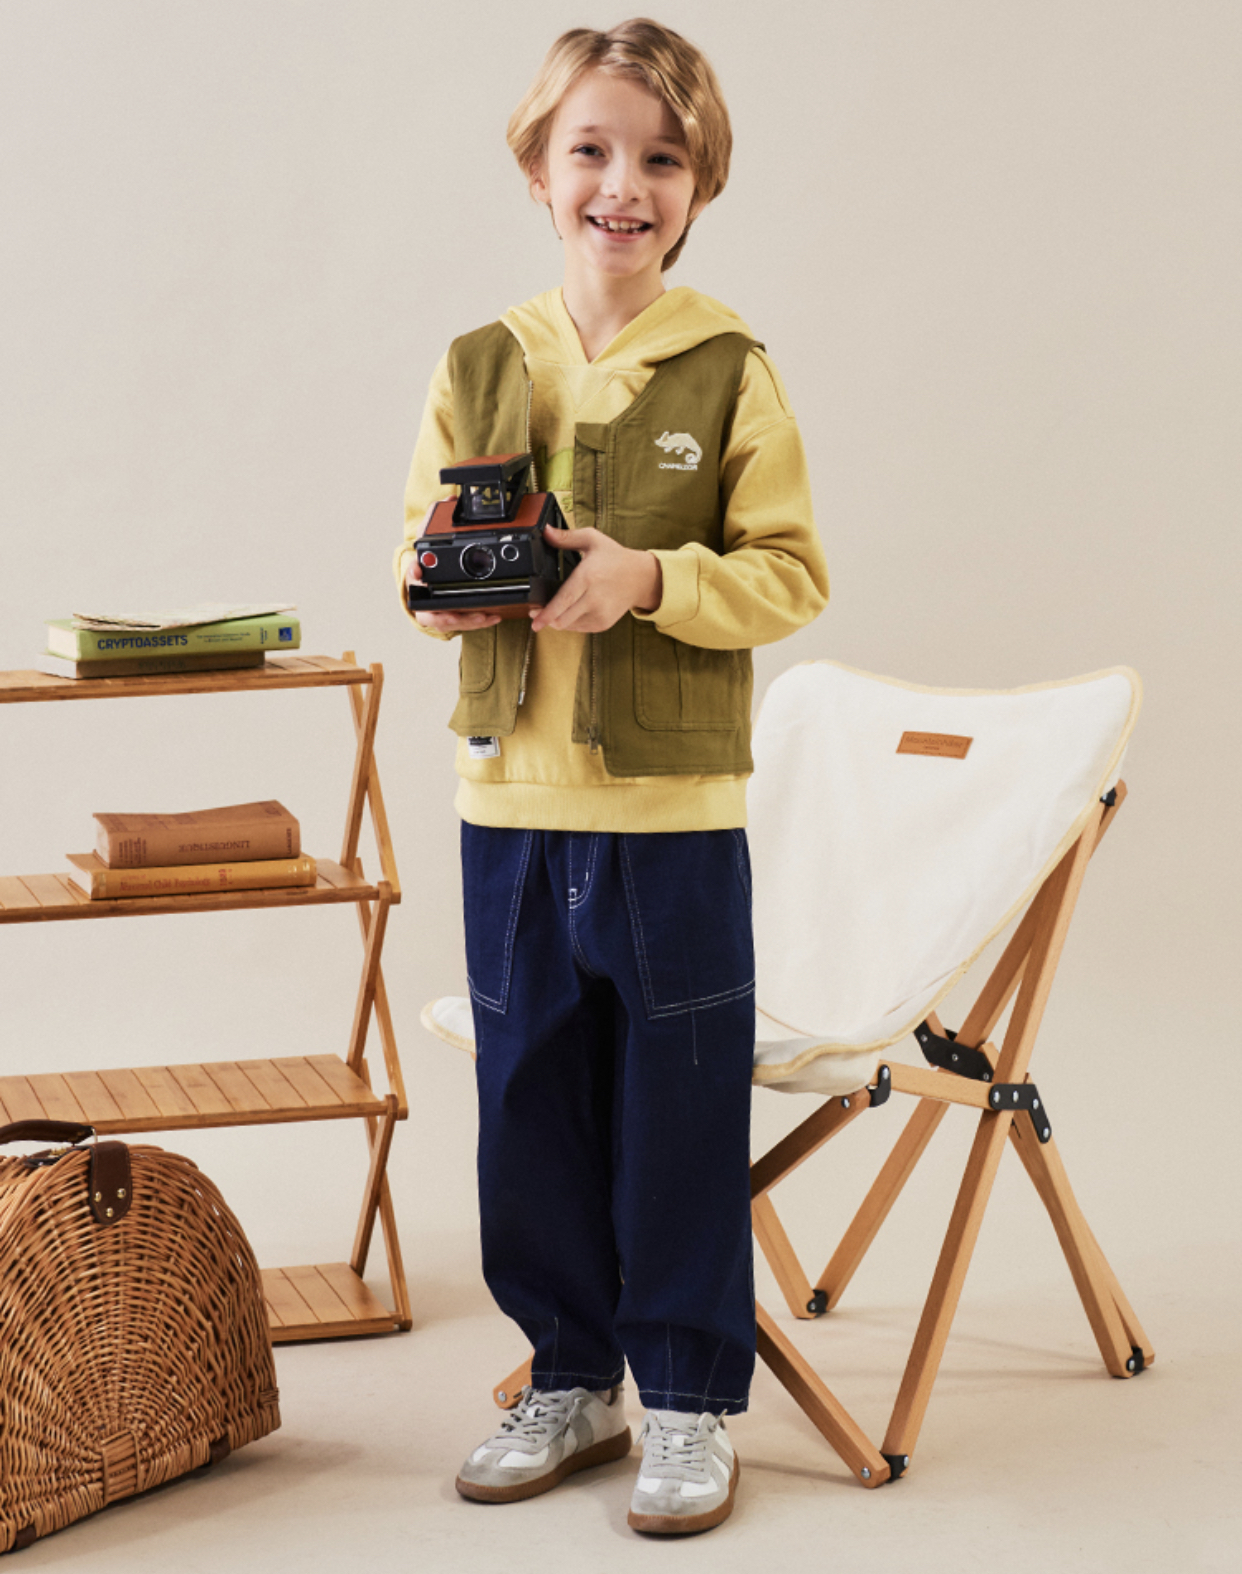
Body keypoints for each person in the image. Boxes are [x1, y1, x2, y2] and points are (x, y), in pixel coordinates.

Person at [393, 18, 828, 1536]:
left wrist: (645, 578)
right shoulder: (479, 363)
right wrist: (444, 596)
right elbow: (417, 555)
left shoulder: (727, 368)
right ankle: (569, 1377)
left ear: (700, 185)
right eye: (590, 150)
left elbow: (790, 575)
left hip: (671, 822)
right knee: (528, 1107)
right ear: (538, 168)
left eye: (660, 158)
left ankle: (691, 1400)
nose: (621, 185)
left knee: (678, 1112)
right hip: (509, 808)